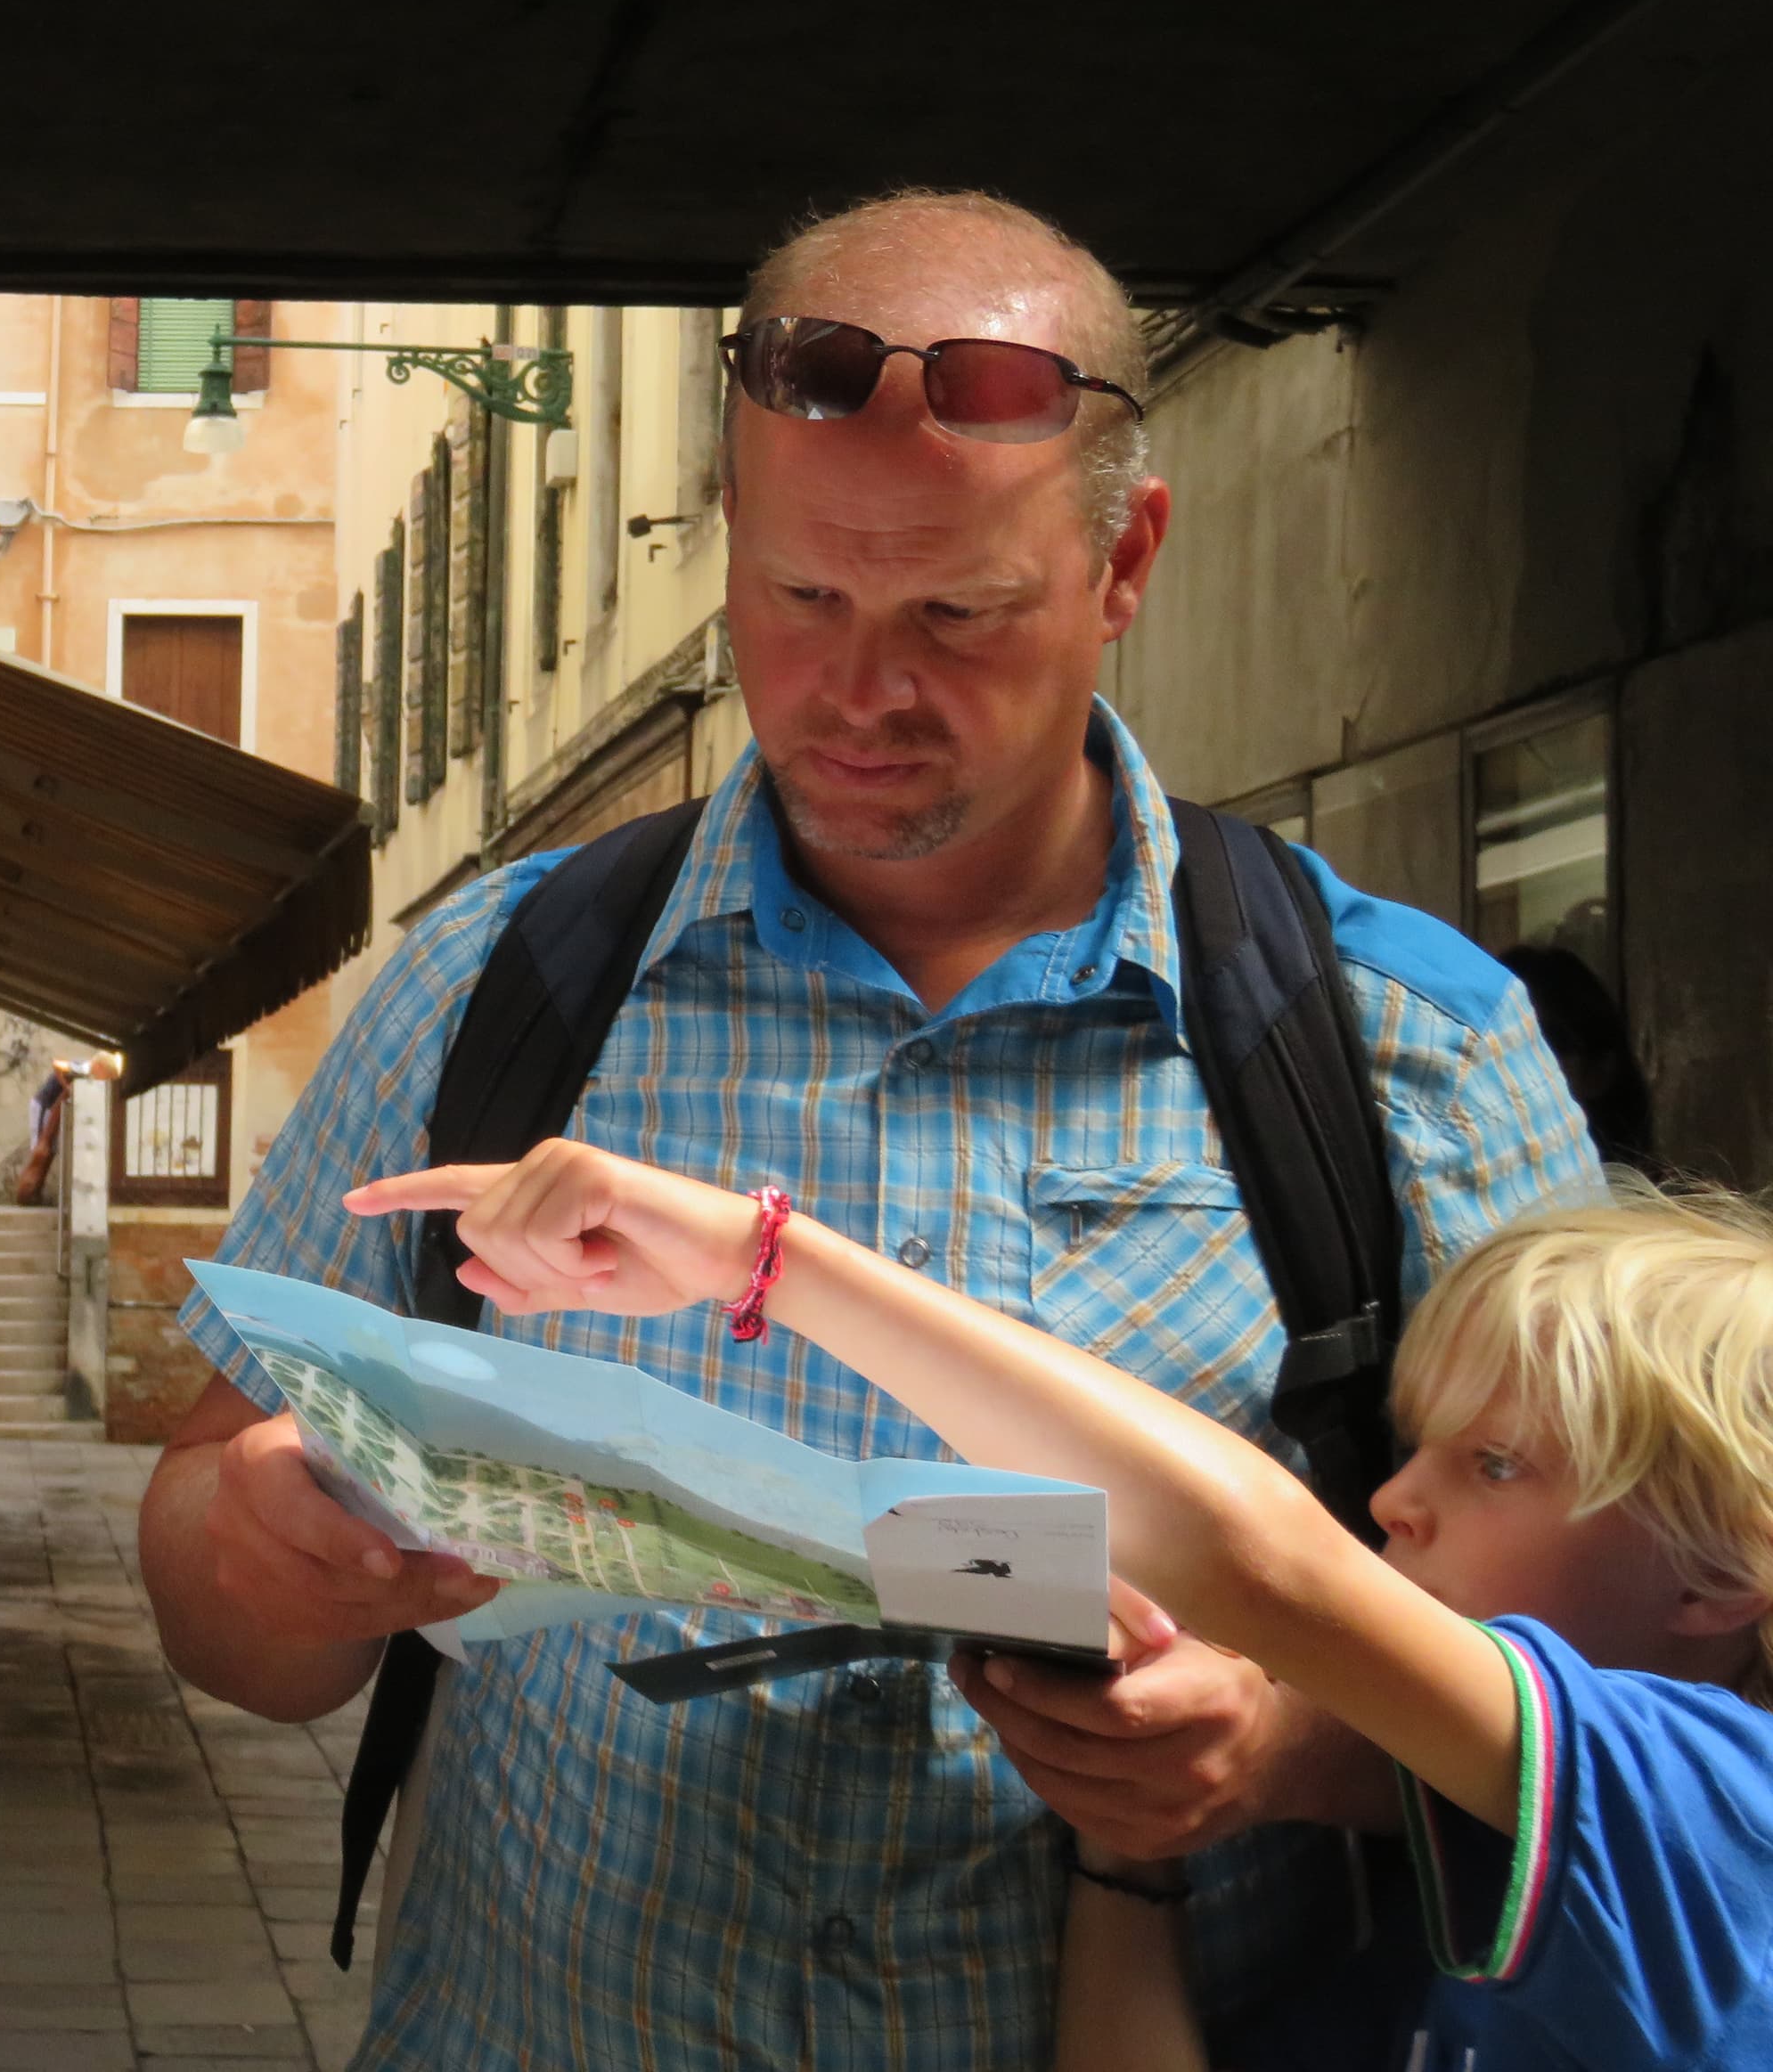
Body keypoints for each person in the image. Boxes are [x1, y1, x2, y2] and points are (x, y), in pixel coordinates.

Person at [136, 188, 1602, 2070]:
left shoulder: (1403, 1046)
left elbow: (1628, 1701)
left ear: (1127, 559)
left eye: (958, 614)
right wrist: (268, 1556)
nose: (859, 692)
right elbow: (217, 1587)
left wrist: (1294, 1752)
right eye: (801, 596)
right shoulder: (499, 983)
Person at [405, 1146, 1773, 2072]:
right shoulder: (1473, 1862)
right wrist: (1134, 1849)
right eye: (1417, 1447)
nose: (1397, 1503)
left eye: (1496, 1465)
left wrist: (766, 1262)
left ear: (1725, 1574)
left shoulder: (1719, 1814)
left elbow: (1266, 1562)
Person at [1499, 942, 1659, 1174]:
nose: (1508, 1068)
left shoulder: (1662, 1203)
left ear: (1601, 1069)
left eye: (1542, 1043)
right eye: (1501, 1045)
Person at [16, 1052, 122, 1204]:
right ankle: (26, 1194)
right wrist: (67, 1087)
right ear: (100, 1066)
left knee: (48, 1151)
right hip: (44, 1105)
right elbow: (57, 1065)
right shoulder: (84, 1068)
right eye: (107, 1075)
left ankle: (35, 1193)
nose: (105, 1080)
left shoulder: (87, 1072)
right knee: (41, 1150)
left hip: (52, 1109)